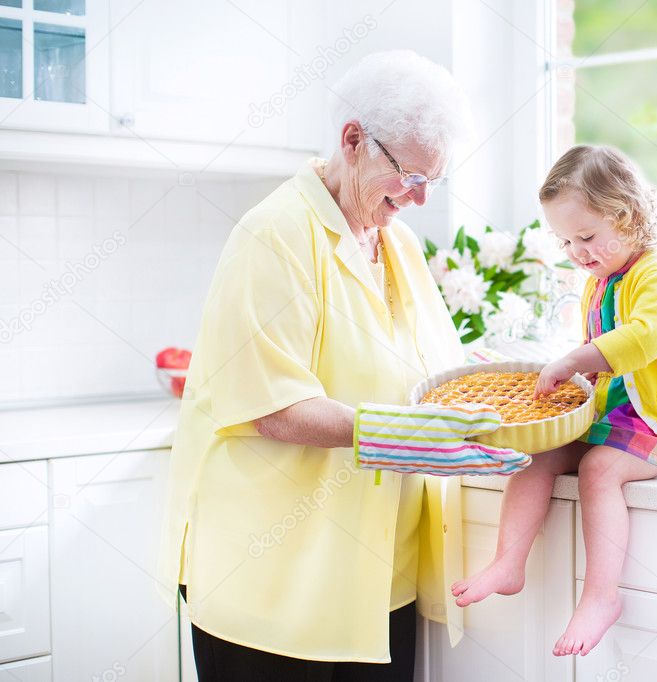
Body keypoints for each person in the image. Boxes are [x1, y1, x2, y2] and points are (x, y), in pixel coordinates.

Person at [157, 50, 474, 681]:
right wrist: (410, 435)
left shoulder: (397, 242)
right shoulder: (273, 234)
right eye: (411, 174)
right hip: (274, 576)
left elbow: (429, 362)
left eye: (434, 179)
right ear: (353, 141)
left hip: (377, 576)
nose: (418, 198)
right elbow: (274, 405)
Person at [450, 144, 657, 657]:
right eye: (566, 240)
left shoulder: (656, 275)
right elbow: (597, 359)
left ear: (630, 216)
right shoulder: (597, 282)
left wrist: (573, 361)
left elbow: (643, 339)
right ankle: (509, 562)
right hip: (616, 417)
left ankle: (600, 597)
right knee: (536, 453)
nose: (577, 251)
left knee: (599, 469)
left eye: (587, 236)